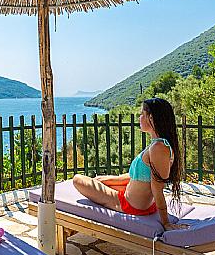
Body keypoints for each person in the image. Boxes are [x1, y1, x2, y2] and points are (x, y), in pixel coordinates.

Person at [73, 98, 187, 231]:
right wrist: (108, 179)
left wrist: (166, 223)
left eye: (142, 114)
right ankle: (103, 181)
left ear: (151, 118)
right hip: (136, 199)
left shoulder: (158, 148)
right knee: (99, 180)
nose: (139, 117)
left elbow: (157, 188)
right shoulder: (158, 144)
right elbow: (140, 175)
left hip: (130, 205)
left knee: (77, 179)